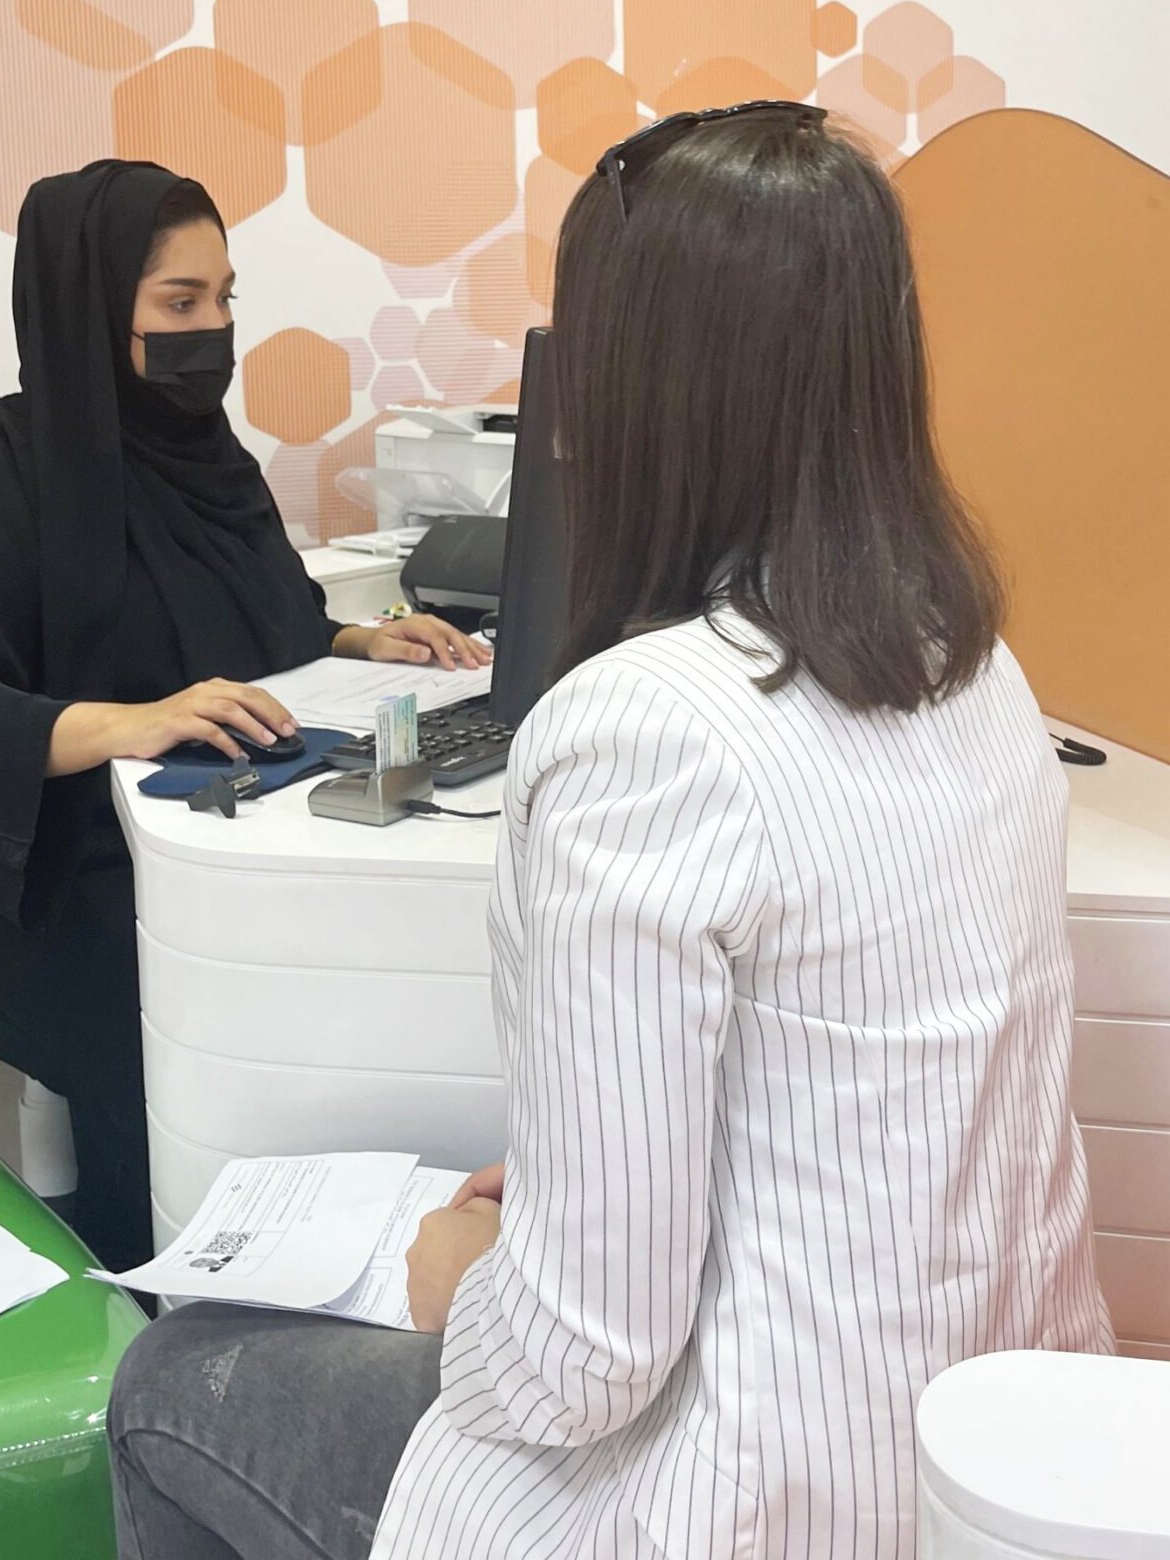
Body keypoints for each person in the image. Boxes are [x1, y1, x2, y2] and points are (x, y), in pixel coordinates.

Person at [106, 103, 1113, 1560]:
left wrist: (468, 1277)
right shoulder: (967, 659)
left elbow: (582, 1361)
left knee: (173, 1375)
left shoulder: (642, 730)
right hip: (976, 1435)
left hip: (753, 1492)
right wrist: (580, 1197)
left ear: (635, 382)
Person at [0, 159, 486, 1271]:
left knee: (355, 960)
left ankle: (358, 1255)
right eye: (178, 304)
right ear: (89, 306)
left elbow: (256, 631)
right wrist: (130, 721)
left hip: (206, 812)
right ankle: (159, 1275)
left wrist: (356, 639)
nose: (213, 330)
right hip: (36, 854)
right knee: (170, 1016)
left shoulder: (207, 458)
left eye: (224, 299)